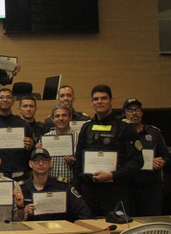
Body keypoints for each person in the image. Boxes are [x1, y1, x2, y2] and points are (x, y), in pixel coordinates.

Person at [73, 85, 143, 217]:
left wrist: (112, 175)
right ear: (92, 102)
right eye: (96, 99)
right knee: (87, 229)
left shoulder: (124, 127)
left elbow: (137, 161)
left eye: (103, 98)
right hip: (89, 191)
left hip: (115, 191)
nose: (99, 102)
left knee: (116, 229)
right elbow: (78, 161)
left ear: (111, 100)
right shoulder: (86, 127)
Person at [123, 98, 169, 216]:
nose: (134, 113)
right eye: (130, 110)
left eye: (137, 110)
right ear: (124, 114)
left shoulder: (154, 132)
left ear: (142, 112)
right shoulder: (121, 133)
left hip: (150, 187)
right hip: (128, 187)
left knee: (151, 222)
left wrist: (162, 161)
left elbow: (165, 155)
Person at [18, 148, 91, 222]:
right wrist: (24, 213)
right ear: (30, 164)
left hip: (60, 230)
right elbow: (14, 219)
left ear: (50, 163)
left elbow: (84, 211)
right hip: (33, 231)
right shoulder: (22, 188)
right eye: (36, 160)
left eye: (45, 160)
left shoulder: (63, 186)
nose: (41, 163)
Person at [0, 88, 34, 181]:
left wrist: (31, 146)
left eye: (8, 97)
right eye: (2, 97)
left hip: (20, 175)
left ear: (13, 102)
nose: (5, 100)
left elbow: (31, 152)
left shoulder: (24, 124)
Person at [38, 103, 78, 182]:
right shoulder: (45, 138)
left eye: (64, 115)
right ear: (52, 119)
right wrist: (38, 152)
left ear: (70, 117)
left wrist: (75, 163)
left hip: (71, 183)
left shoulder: (79, 137)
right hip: (50, 183)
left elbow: (83, 163)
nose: (61, 118)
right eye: (57, 116)